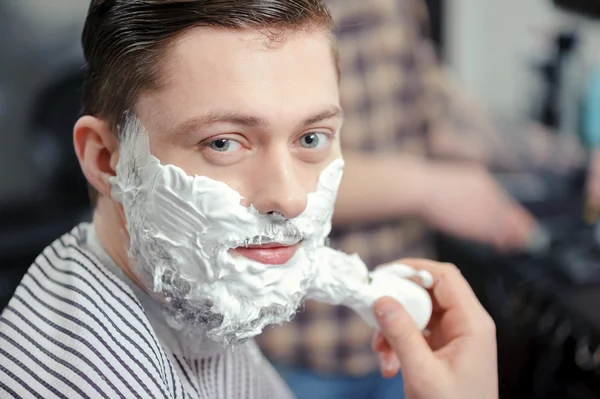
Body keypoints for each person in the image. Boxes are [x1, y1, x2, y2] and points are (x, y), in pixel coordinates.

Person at [0, 1, 499, 398]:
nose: (290, 197)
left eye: (310, 139)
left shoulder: (184, 300)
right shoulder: (92, 377)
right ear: (107, 159)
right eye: (223, 143)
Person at [256, 0, 587, 398]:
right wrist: (431, 189)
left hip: (405, 337)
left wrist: (577, 163)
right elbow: (258, 175)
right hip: (302, 351)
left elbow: (440, 116)